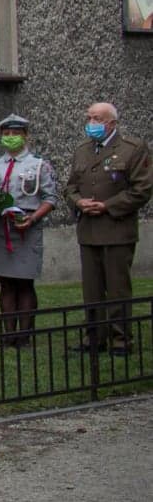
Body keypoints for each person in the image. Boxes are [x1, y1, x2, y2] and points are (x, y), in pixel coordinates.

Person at [65, 102, 152, 355]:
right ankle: (94, 336)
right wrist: (78, 201)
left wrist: (107, 206)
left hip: (116, 229)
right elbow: (71, 186)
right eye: (89, 118)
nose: (92, 123)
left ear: (112, 123)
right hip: (89, 229)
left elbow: (142, 190)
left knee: (117, 288)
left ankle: (120, 339)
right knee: (91, 289)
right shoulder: (82, 151)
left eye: (97, 119)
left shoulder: (132, 150)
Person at [0, 113, 58, 345]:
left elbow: (50, 198)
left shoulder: (39, 165)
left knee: (24, 282)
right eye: (6, 134)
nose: (10, 137)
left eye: (15, 133)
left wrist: (32, 219)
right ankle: (8, 333)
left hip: (25, 229)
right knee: (6, 283)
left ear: (25, 136)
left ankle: (25, 334)